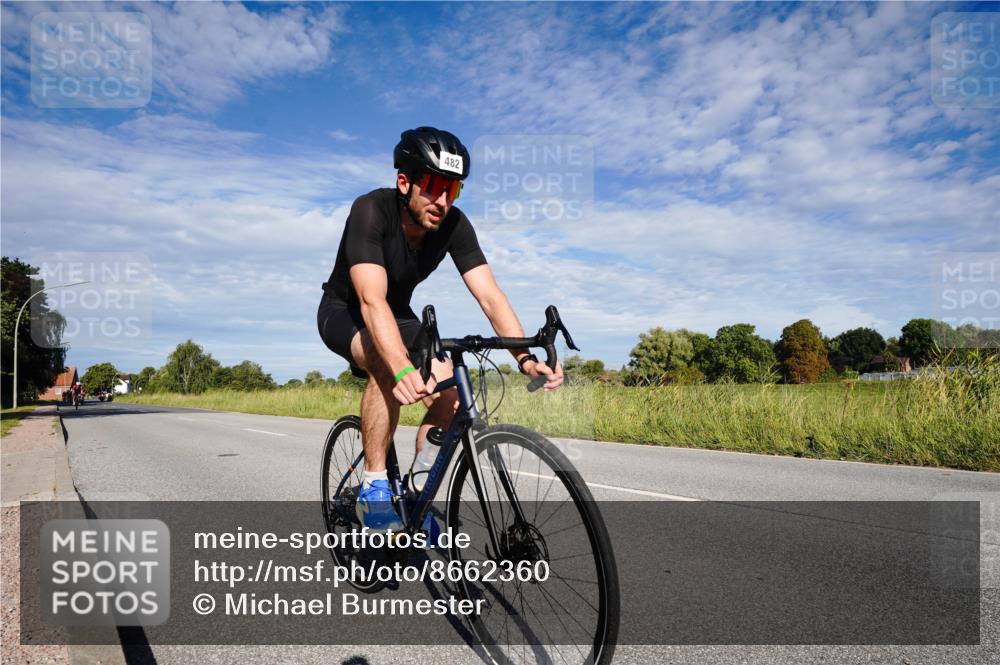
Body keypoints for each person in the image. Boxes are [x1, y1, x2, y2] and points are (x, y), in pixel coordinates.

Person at [318, 126, 564, 530]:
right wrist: (400, 366)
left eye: (453, 189)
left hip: (398, 315)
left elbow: (490, 296)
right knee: (384, 363)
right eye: (433, 187)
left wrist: (525, 359)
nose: (443, 200)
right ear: (404, 183)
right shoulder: (371, 210)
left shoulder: (454, 225)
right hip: (345, 312)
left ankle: (415, 497)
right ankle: (374, 490)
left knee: (452, 392)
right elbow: (371, 300)